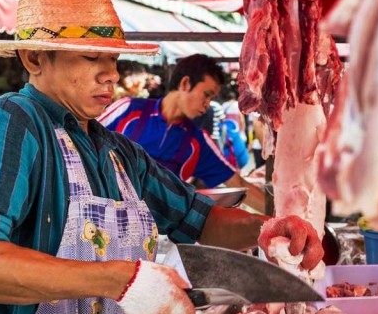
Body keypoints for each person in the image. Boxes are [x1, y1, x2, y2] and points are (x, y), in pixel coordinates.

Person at [0, 0, 323, 314]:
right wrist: (120, 278)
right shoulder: (13, 122)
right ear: (36, 58)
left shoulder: (117, 151)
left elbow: (204, 219)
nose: (110, 74)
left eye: (113, 59)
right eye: (90, 57)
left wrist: (271, 229)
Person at [99, 54, 266, 212]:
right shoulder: (128, 109)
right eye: (206, 95)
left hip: (154, 232)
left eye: (212, 99)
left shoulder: (197, 143)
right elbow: (81, 136)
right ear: (185, 83)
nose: (207, 104)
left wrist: (280, 217)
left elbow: (236, 182)